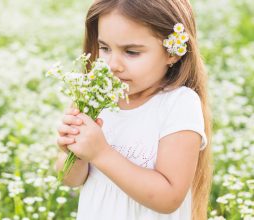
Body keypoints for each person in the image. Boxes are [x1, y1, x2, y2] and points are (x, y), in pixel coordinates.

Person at [55, 0, 212, 219]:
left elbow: (169, 198)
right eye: (105, 48)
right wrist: (74, 153)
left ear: (172, 52)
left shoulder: (178, 104)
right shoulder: (94, 98)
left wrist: (101, 153)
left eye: (131, 52)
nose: (113, 64)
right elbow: (70, 180)